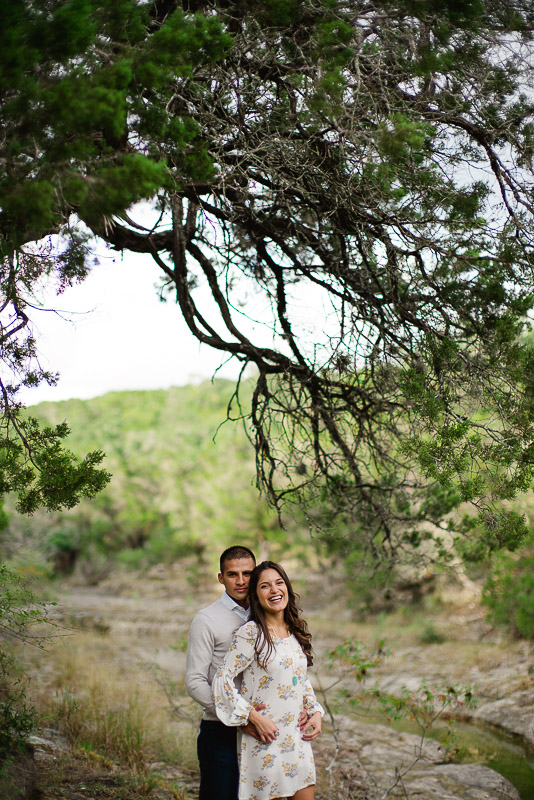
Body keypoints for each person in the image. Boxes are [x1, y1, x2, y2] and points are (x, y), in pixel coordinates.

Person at [212, 561, 324, 800]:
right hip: (265, 740)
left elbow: (300, 680)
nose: (274, 590)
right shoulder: (251, 633)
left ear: (287, 588)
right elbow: (222, 679)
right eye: (265, 586)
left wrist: (315, 712)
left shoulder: (294, 632)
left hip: (297, 739)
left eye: (279, 583)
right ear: (255, 595)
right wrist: (251, 716)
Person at [186, 545, 257, 800]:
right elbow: (195, 682)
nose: (240, 581)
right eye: (232, 574)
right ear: (220, 578)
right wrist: (238, 716)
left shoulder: (266, 614)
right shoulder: (207, 619)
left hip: (261, 731)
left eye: (247, 573)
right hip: (221, 731)